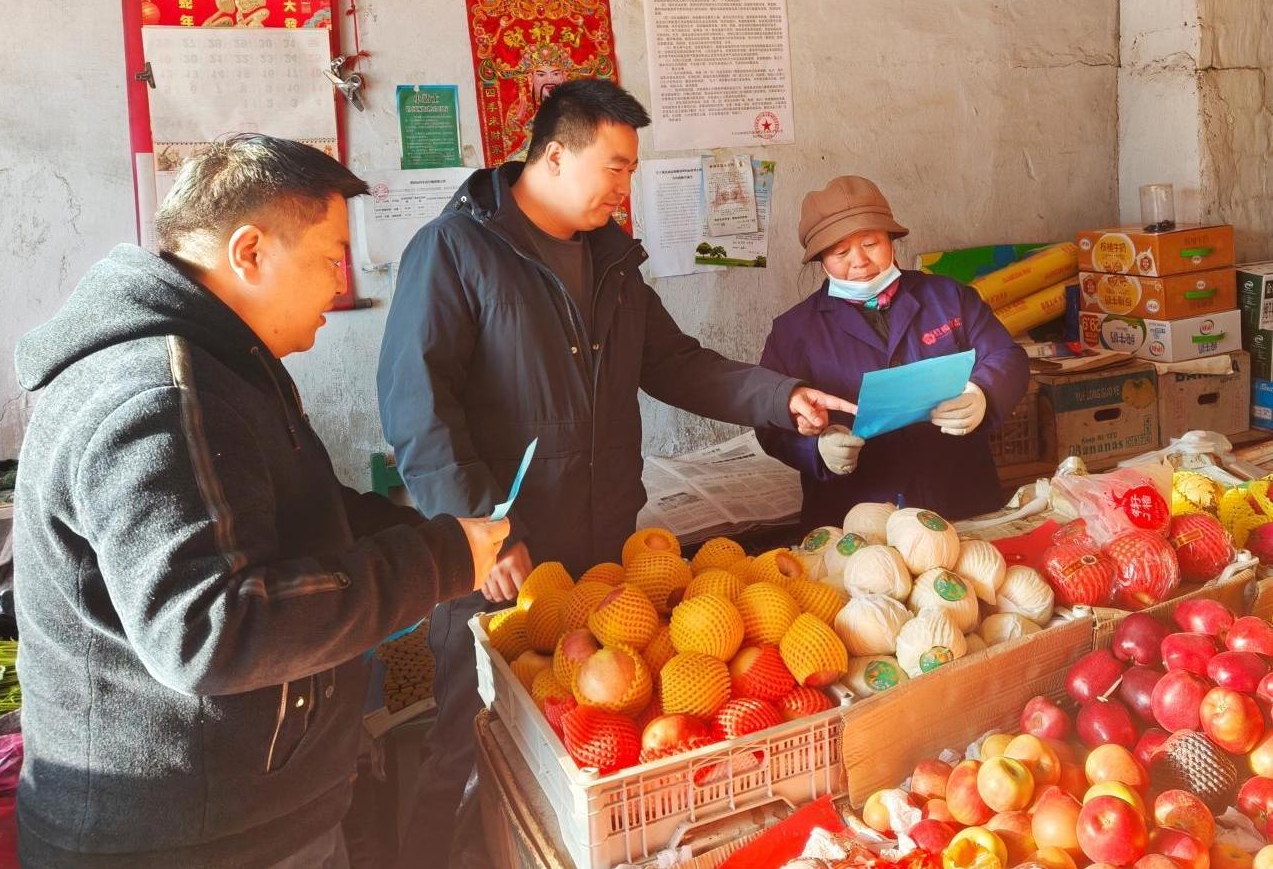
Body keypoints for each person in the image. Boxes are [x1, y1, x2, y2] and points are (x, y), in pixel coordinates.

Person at [377, 79, 854, 868]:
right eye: (615, 167)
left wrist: (780, 396)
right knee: (473, 742)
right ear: (554, 156)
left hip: (601, 558)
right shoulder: (456, 251)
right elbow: (417, 410)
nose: (623, 187)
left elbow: (674, 363)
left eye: (631, 169)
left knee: (585, 745)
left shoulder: (611, 262)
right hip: (501, 560)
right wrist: (481, 533)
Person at [11, 134, 509, 869]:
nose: (340, 283)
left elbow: (293, 512)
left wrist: (436, 537)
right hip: (183, 845)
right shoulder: (160, 394)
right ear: (248, 252)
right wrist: (435, 561)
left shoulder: (223, 365)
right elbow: (213, 626)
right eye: (330, 257)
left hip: (248, 819)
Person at [756, 174, 1031, 527]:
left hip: (961, 497)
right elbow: (769, 421)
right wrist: (816, 449)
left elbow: (1007, 356)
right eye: (840, 252)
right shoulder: (794, 331)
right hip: (852, 513)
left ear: (891, 241)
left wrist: (983, 394)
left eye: (870, 243)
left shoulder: (948, 298)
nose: (859, 261)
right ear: (821, 260)